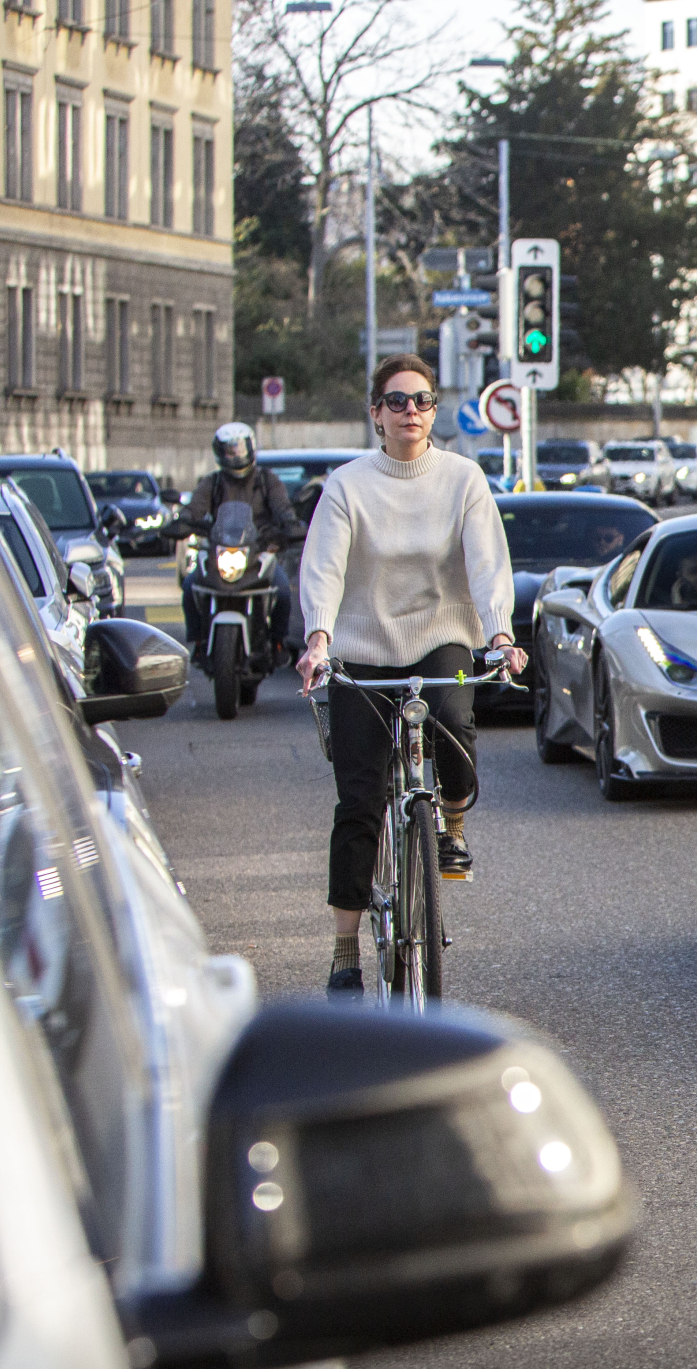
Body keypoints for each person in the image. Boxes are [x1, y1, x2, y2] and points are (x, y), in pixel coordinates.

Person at [294, 354, 525, 996]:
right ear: (376, 414)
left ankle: (449, 825)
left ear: (433, 412)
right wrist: (318, 638)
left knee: (454, 720)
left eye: (421, 401)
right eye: (396, 402)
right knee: (359, 803)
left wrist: (499, 633)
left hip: (439, 636)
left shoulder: (463, 479)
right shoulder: (347, 486)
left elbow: (486, 564)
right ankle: (345, 949)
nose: (411, 412)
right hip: (362, 645)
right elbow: (324, 569)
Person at [176, 421, 303, 646]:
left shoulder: (267, 480)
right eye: (229, 451)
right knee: (189, 586)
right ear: (219, 453)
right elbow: (195, 508)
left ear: (251, 448)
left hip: (259, 550)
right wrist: (182, 522)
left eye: (240, 449)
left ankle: (278, 643)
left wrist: (290, 526)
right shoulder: (212, 482)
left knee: (282, 590)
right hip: (220, 549)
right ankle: (197, 641)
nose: (236, 456)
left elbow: (283, 508)